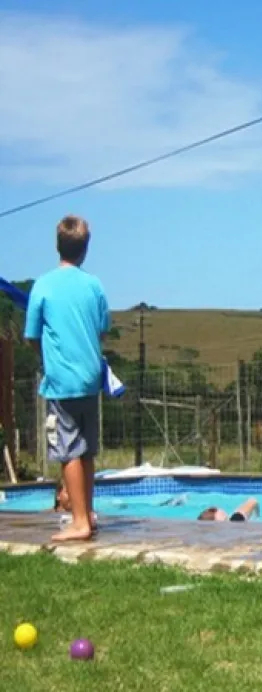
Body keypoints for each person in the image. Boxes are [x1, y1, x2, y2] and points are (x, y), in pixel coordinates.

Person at [24, 215, 111, 543]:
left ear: (57, 245)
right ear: (85, 249)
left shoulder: (43, 285)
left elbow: (32, 335)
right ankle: (87, 512)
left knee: (68, 450)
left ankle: (79, 522)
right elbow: (102, 330)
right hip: (91, 378)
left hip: (62, 380)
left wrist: (47, 358)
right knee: (86, 450)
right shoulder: (94, 285)